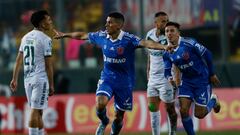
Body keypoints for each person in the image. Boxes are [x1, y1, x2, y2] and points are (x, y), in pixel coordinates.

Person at [54, 12, 174, 135]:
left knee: (119, 117)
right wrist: (65, 35)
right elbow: (82, 35)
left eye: (110, 22)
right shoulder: (102, 36)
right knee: (100, 104)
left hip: (125, 82)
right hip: (108, 77)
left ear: (119, 26)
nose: (106, 25)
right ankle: (104, 121)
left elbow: (147, 43)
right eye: (106, 22)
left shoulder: (129, 39)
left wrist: (164, 47)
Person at [163, 21, 221, 135]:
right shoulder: (166, 52)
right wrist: (170, 78)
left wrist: (212, 74)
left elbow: (207, 54)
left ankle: (213, 100)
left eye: (172, 31)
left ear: (178, 33)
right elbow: (166, 70)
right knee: (183, 110)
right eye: (167, 31)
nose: (169, 33)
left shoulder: (190, 43)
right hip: (186, 82)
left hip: (202, 79)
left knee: (199, 114)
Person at [10, 10, 55, 135]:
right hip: (40, 79)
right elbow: (48, 65)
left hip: (27, 79)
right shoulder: (46, 39)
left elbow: (18, 61)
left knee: (38, 111)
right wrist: (51, 84)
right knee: (35, 111)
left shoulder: (25, 37)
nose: (51, 22)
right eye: (48, 19)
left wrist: (14, 78)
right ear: (41, 23)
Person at [146, 12, 177, 135]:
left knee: (169, 108)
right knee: (152, 108)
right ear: (156, 23)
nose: (166, 23)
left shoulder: (171, 36)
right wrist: (148, 72)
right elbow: (149, 56)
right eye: (163, 21)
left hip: (166, 78)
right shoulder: (149, 35)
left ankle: (172, 132)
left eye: (167, 20)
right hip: (153, 78)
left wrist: (174, 76)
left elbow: (176, 57)